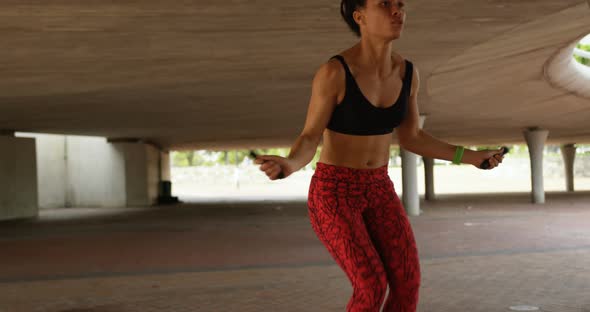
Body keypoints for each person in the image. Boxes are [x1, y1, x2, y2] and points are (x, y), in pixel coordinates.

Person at [254, 0, 505, 310]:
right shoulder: (335, 72)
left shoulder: (407, 72)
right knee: (372, 285)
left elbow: (412, 137)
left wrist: (473, 157)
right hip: (334, 193)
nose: (397, 10)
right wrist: (289, 164)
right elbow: (310, 136)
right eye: (384, 4)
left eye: (400, 4)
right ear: (360, 17)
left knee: (406, 282)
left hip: (379, 189)